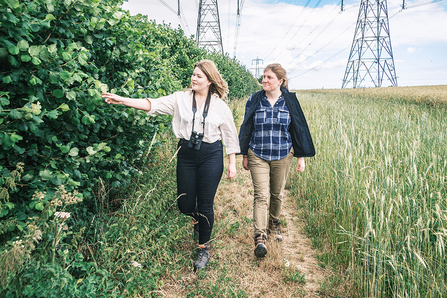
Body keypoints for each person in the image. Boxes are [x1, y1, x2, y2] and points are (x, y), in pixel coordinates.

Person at [102, 60, 240, 271]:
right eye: (193, 74)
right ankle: (197, 219)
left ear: (209, 80)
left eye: (199, 76)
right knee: (184, 204)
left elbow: (230, 135)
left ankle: (203, 248)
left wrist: (232, 163)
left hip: (210, 155)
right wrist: (123, 100)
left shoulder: (220, 107)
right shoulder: (180, 99)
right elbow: (152, 104)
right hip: (186, 153)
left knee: (205, 203)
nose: (193, 79)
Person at [238, 63, 315, 258]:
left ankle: (274, 223)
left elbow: (299, 129)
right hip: (258, 153)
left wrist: (301, 157)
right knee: (261, 195)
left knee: (277, 193)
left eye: (269, 77)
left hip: (282, 154)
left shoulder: (290, 101)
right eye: (264, 77)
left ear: (280, 81)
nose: (264, 80)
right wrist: (245, 154)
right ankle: (260, 237)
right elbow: (246, 127)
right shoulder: (255, 100)